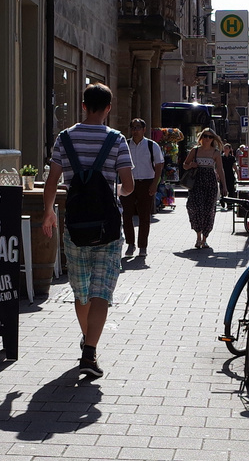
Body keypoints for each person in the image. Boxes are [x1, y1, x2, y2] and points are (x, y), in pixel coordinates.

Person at [41, 83, 134, 379]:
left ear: (83, 105)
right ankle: (89, 352)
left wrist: (48, 214)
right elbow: (129, 186)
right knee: (101, 293)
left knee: (82, 293)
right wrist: (113, 191)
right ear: (108, 108)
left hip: (76, 226)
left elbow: (52, 181)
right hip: (108, 228)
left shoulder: (65, 138)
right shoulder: (117, 139)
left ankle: (87, 343)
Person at [122, 117, 165, 261]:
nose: (135, 130)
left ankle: (142, 246)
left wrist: (155, 184)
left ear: (144, 129)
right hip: (129, 182)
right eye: (133, 127)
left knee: (144, 216)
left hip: (146, 183)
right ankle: (130, 244)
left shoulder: (152, 146)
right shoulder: (125, 145)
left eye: (138, 127)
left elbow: (159, 165)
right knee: (126, 215)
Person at [182, 128, 223, 250]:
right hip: (197, 183)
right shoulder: (194, 151)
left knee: (209, 211)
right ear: (201, 137)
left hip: (210, 184)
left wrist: (224, 186)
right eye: (205, 136)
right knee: (195, 207)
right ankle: (198, 236)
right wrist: (191, 165)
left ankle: (204, 239)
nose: (207, 139)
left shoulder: (215, 153)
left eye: (210, 137)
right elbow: (184, 165)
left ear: (213, 139)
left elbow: (220, 170)